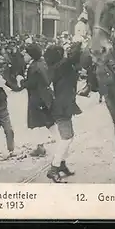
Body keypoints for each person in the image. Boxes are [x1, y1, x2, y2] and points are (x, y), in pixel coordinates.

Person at [43, 42, 83, 183]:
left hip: (63, 105)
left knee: (68, 137)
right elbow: (74, 57)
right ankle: (53, 168)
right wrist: (79, 44)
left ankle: (62, 164)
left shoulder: (56, 67)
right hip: (63, 107)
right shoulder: (63, 66)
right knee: (66, 138)